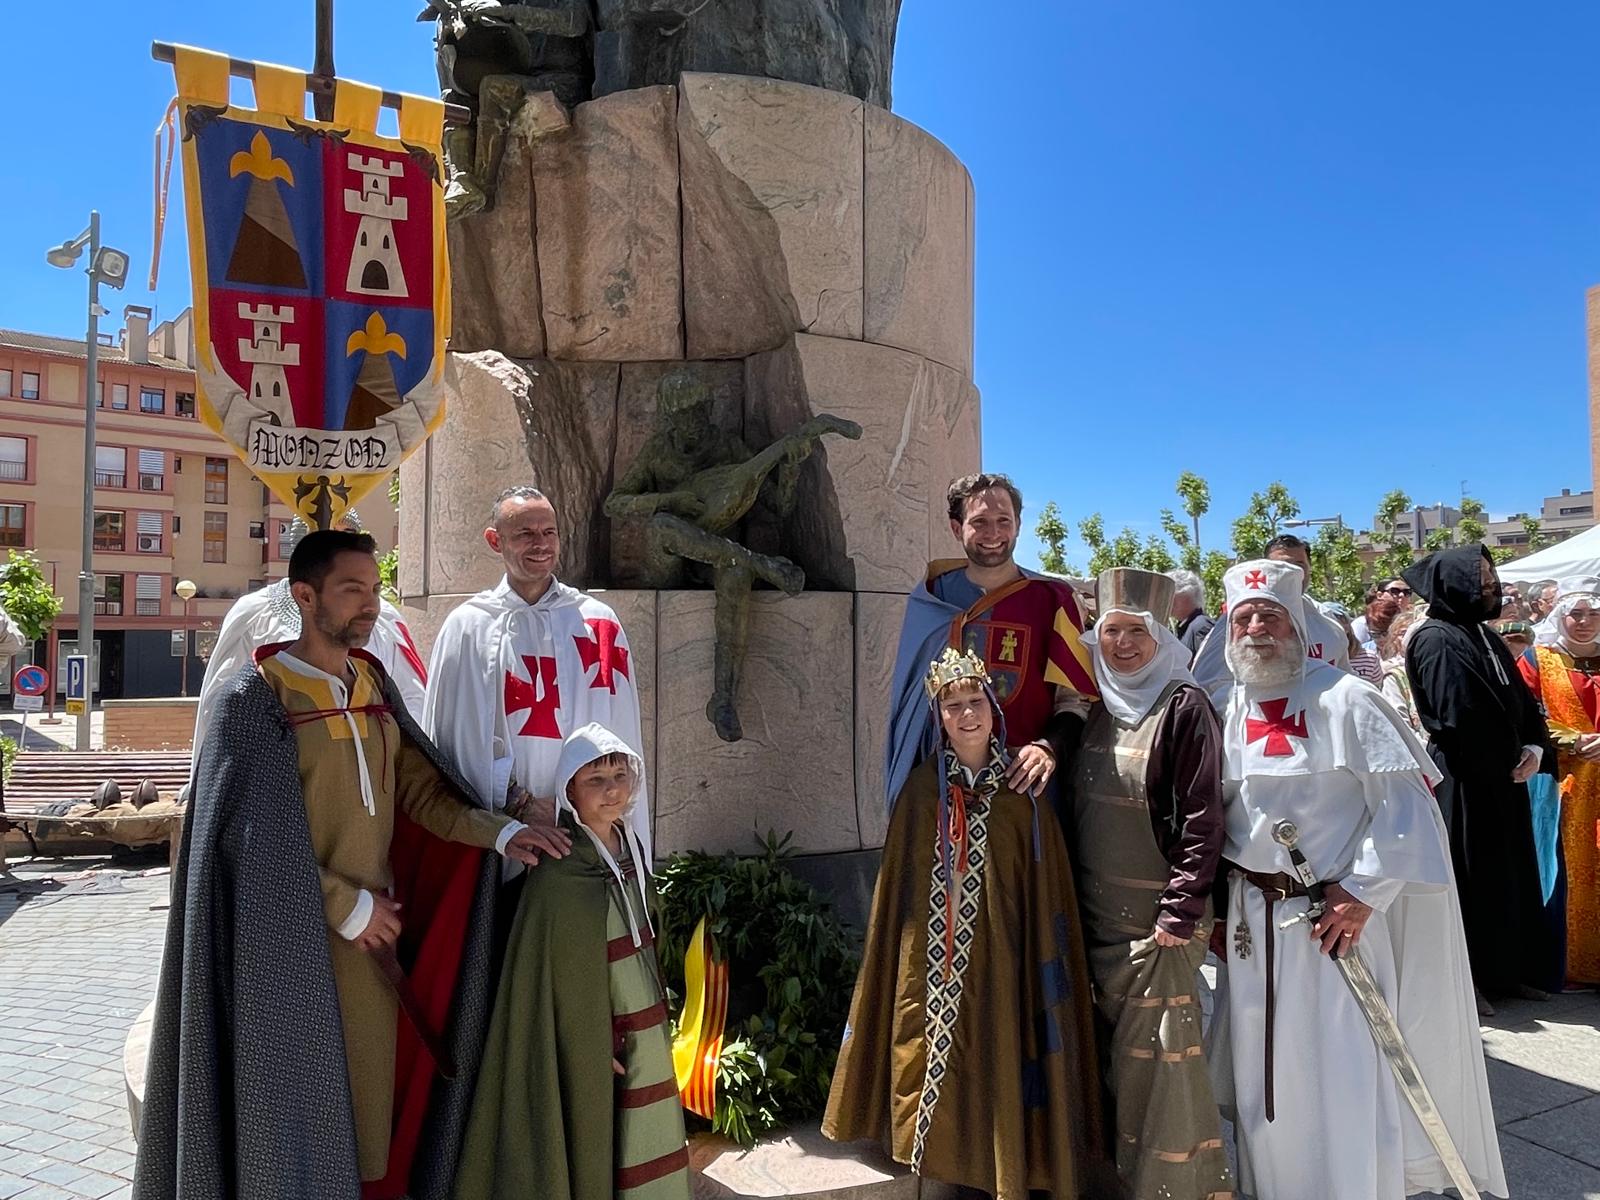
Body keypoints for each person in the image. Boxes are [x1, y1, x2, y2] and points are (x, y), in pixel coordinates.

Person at [133, 531, 564, 1200]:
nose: (370, 605)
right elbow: (249, 842)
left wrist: (500, 834)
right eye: (351, 589)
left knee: (368, 1114)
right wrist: (350, 906)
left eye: (374, 589)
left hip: (371, 946)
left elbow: (419, 792)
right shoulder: (255, 696)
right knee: (290, 1115)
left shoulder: (370, 682)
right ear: (304, 596)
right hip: (285, 948)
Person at [1206, 558, 1505, 1200]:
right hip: (1251, 925)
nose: (1257, 628)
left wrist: (1361, 893)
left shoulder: (1347, 697)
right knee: (1266, 1079)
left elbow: (1407, 808)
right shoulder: (1222, 707)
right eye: (1245, 617)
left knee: (1340, 1068)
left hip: (1332, 924)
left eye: (1271, 616)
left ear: (1297, 622)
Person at [824, 648, 1113, 1199]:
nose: (966, 715)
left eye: (975, 701)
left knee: (1004, 1039)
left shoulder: (1023, 797)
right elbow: (898, 897)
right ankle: (931, 1146)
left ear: (993, 707)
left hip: (1007, 957)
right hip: (934, 963)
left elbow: (1043, 892)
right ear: (940, 717)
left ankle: (1009, 1153)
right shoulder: (919, 793)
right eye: (952, 706)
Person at [454, 724, 690, 1200]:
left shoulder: (631, 846)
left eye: (619, 775)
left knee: (649, 1130)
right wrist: (586, 1042)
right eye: (595, 780)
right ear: (569, 791)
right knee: (595, 1139)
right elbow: (551, 979)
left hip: (643, 1025)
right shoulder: (558, 870)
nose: (611, 790)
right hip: (590, 1039)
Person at [1068, 569, 1231, 1200]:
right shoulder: (1094, 706)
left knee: (1162, 1072)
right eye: (1112, 631)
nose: (1124, 644)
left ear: (1162, 637)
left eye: (1138, 631)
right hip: (1096, 922)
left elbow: (1203, 817)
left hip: (1157, 929)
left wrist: (1180, 911)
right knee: (1117, 1069)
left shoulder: (1185, 706)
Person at [425, 486, 650, 859]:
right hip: (498, 837)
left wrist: (573, 804)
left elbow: (617, 734)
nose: (540, 544)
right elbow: (451, 745)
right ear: (495, 541)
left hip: (584, 828)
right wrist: (519, 803)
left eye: (549, 532)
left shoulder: (597, 624)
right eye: (525, 534)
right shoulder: (467, 628)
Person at [885, 473, 1098, 820]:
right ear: (957, 529)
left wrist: (1048, 748)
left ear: (1018, 525)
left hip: (1026, 789)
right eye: (979, 522)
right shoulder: (933, 597)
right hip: (947, 789)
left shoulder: (1054, 599)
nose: (993, 534)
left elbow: (1074, 701)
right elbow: (912, 705)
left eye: (1003, 521)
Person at [1404, 545, 1564, 1002]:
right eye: (1484, 583)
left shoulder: (1484, 634)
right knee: (1471, 880)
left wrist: (1533, 747)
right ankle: (1467, 983)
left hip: (1503, 776)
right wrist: (1506, 758)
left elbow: (1519, 701)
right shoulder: (1435, 637)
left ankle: (1505, 973)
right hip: (1465, 779)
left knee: (1507, 877)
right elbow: (1460, 716)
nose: (1493, 590)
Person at [189, 514, 430, 780]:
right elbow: (218, 712)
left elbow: (413, 707)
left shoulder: (385, 620)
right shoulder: (253, 615)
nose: (369, 603)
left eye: (345, 535)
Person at [1519, 577, 1600, 988]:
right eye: (1575, 614)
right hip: (1561, 782)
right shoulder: (1539, 659)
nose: (1584, 622)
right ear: (1559, 616)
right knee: (1562, 866)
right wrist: (1570, 738)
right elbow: (1523, 714)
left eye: (1592, 614)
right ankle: (1565, 962)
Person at [1190, 533, 1350, 703]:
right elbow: (1206, 683)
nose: (1291, 572)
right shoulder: (1236, 623)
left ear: (1309, 569)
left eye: (1299, 565)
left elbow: (1344, 673)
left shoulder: (1325, 618)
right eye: (1281, 566)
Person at [1377, 605, 1426, 733]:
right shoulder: (1394, 677)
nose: (1408, 637)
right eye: (1403, 633)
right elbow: (1400, 725)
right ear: (1394, 639)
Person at [1167, 567, 1215, 657]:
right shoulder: (1187, 625)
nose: (1168, 601)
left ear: (1189, 594)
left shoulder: (1201, 626)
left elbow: (1207, 665)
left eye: (1172, 595)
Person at [1350, 582, 1401, 653]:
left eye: (1386, 633)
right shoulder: (1363, 653)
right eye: (1375, 634)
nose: (1381, 639)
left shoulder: (1407, 650)